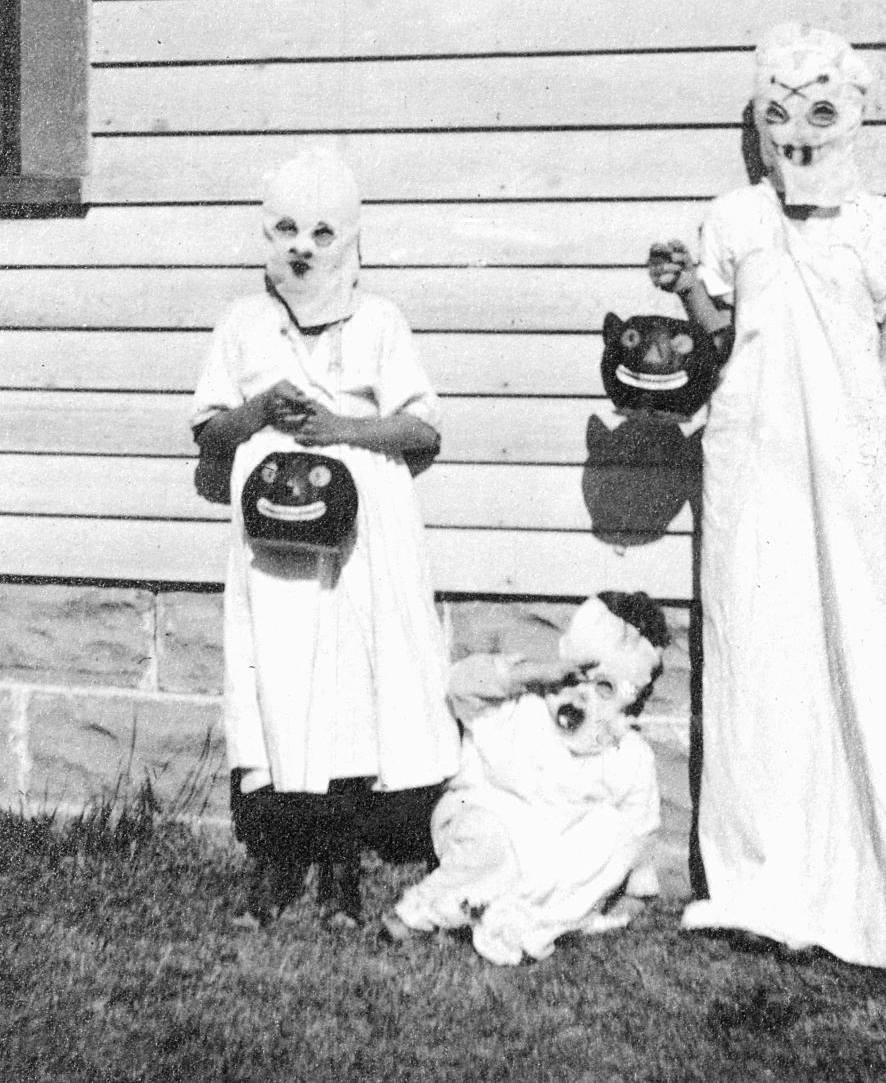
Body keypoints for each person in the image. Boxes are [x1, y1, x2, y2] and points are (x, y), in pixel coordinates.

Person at [648, 22, 886, 983]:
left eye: (820, 113)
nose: (801, 137)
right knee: (764, 654)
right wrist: (687, 284)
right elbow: (724, 335)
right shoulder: (736, 220)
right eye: (780, 116)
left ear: (853, 115)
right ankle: (768, 883)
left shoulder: (879, 229)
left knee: (872, 648)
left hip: (853, 468)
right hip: (756, 466)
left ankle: (879, 878)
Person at [192, 149, 460, 928]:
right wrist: (262, 412)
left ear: (348, 239)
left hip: (361, 534)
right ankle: (277, 864)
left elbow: (420, 425)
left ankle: (340, 867)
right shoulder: (244, 323)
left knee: (349, 688)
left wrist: (339, 425)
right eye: (284, 230)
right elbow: (211, 431)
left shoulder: (378, 321)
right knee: (275, 679)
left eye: (320, 232)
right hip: (272, 539)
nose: (301, 248)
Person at [383, 591, 668, 965]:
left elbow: (637, 830)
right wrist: (531, 673)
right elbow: (460, 685)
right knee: (492, 844)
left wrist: (634, 893)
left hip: (551, 858)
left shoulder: (627, 754)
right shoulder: (519, 706)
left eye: (604, 689)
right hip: (487, 818)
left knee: (611, 831)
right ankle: (425, 909)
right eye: (575, 678)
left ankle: (517, 918)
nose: (581, 696)